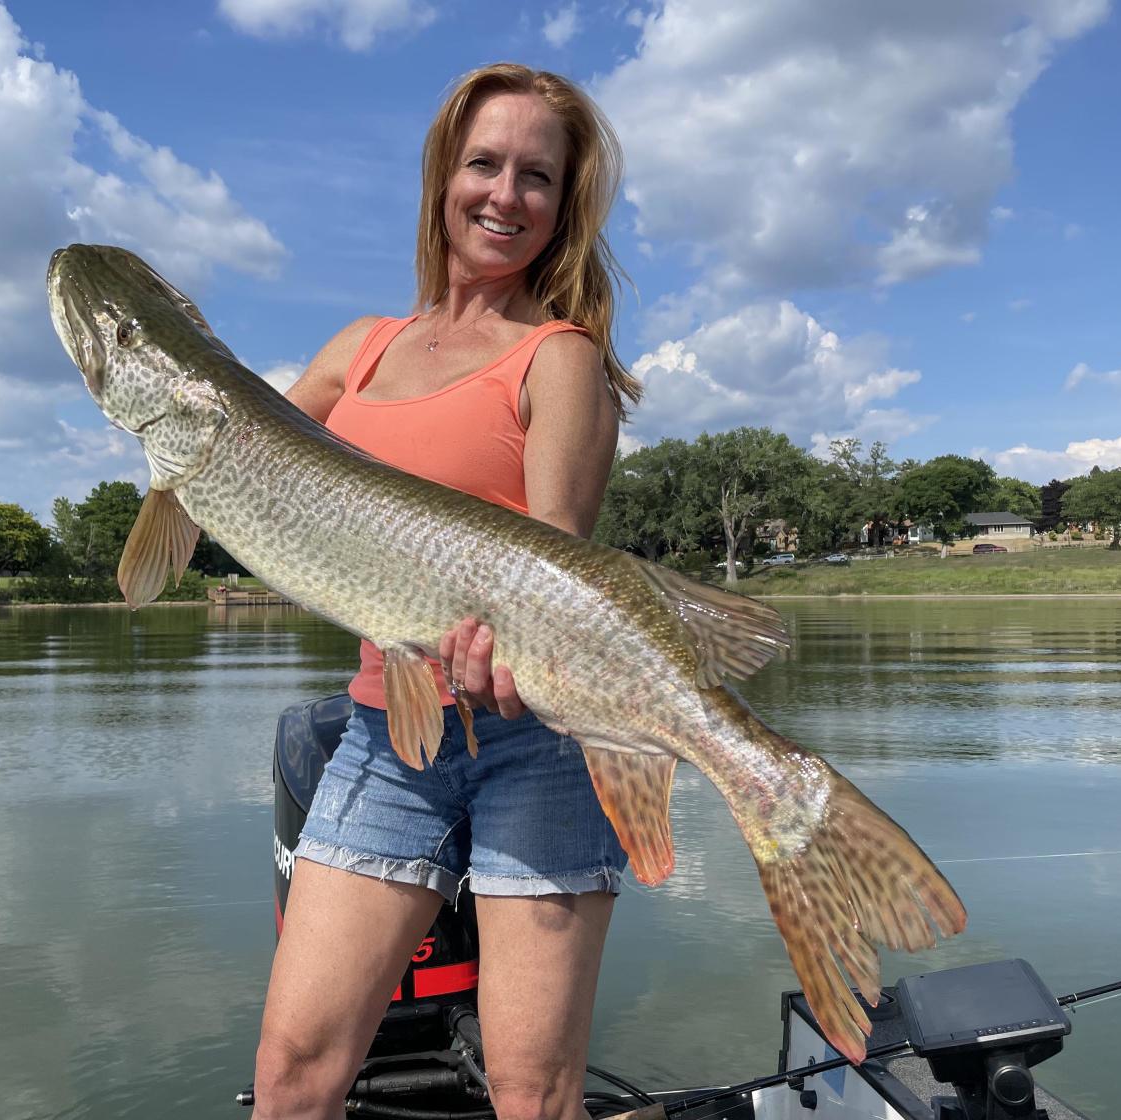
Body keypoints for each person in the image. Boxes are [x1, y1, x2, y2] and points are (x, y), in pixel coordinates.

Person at [252, 64, 641, 1120]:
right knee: (291, 1077)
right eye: (485, 164)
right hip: (385, 738)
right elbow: (249, 453)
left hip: (540, 747)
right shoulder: (360, 348)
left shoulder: (560, 358)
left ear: (565, 210)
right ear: (441, 178)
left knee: (531, 1093)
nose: (505, 195)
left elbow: (555, 551)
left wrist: (510, 645)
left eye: (538, 178)